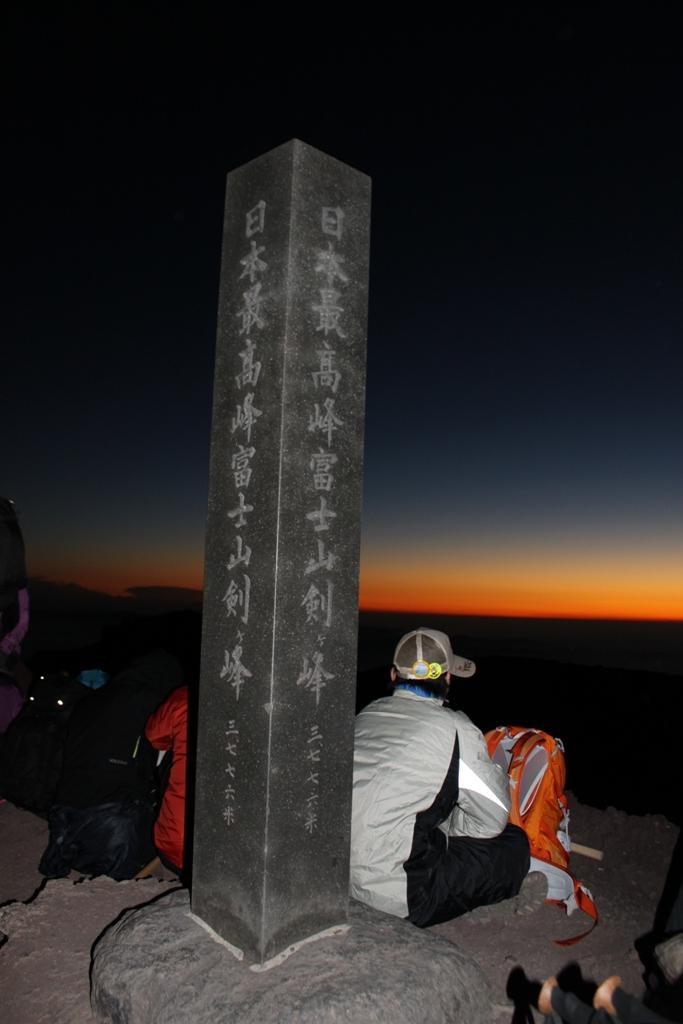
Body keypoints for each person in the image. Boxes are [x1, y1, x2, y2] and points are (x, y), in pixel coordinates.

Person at [350, 626, 530, 927]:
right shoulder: (455, 730)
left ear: (394, 675)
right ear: (447, 678)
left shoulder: (365, 715)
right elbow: (492, 820)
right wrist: (450, 826)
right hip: (397, 896)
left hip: (339, 877)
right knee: (514, 844)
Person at [145, 685, 188, 876]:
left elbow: (154, 736)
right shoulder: (268, 695)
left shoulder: (186, 696)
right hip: (252, 851)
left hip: (177, 845)